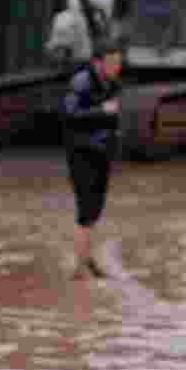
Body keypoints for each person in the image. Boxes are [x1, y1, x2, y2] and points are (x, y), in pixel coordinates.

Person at [60, 36, 123, 280]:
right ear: (98, 63)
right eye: (112, 62)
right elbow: (69, 113)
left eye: (119, 62)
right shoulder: (81, 81)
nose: (116, 67)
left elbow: (112, 116)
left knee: (95, 208)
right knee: (86, 208)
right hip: (82, 152)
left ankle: (86, 258)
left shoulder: (112, 83)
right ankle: (79, 268)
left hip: (102, 151)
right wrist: (102, 111)